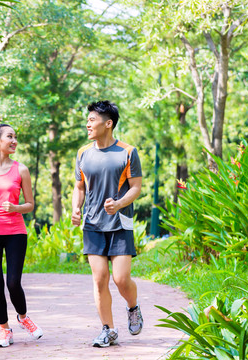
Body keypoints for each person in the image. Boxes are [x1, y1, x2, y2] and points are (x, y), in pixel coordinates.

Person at [71, 100, 144, 347]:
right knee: (100, 278)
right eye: (88, 119)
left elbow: (136, 187)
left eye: (92, 120)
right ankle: (108, 330)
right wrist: (75, 208)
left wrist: (120, 203)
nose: (88, 124)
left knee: (121, 279)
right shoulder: (83, 153)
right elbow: (79, 187)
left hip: (120, 223)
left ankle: (132, 306)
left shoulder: (127, 151)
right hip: (92, 224)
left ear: (108, 123)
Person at [0, 123, 43, 348]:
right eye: (9, 137)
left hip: (15, 233)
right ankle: (5, 330)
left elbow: (30, 204)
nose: (14, 141)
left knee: (13, 282)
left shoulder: (21, 170)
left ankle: (23, 318)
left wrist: (15, 208)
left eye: (15, 137)